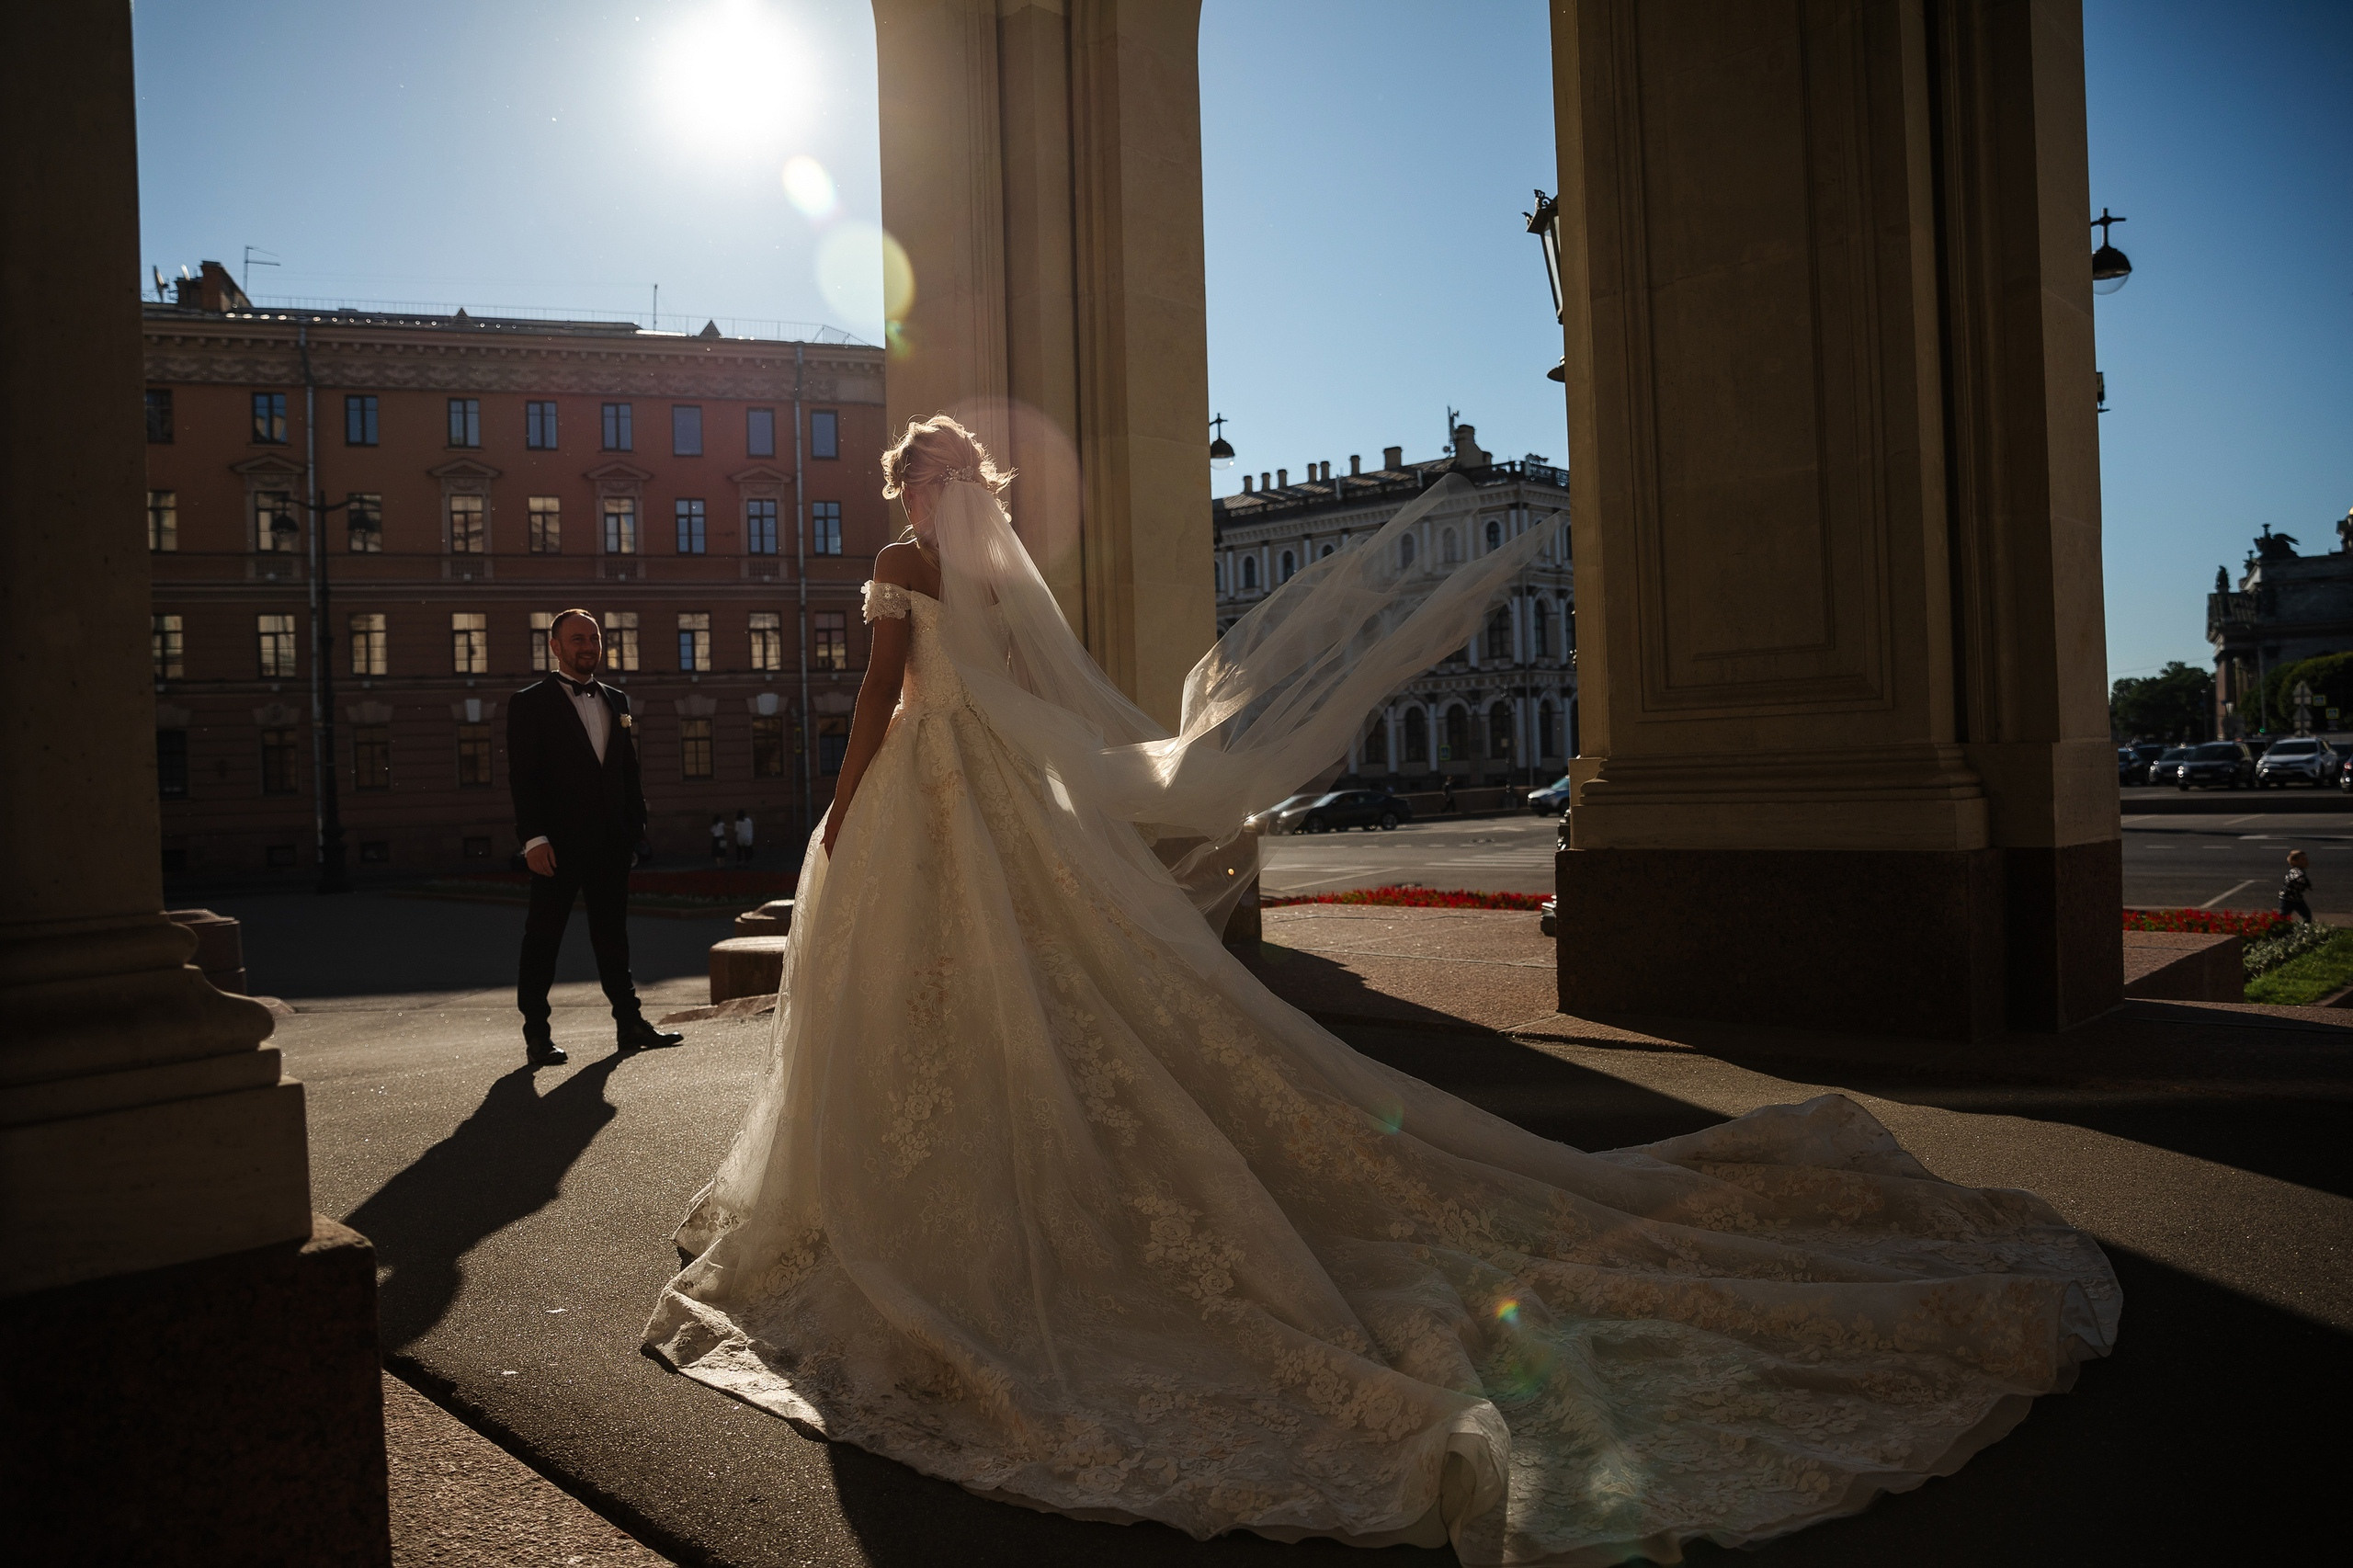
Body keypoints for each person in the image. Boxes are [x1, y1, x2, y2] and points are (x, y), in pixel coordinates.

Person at [642, 417, 2118, 1566]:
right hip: (1005, 818)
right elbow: (1037, 718)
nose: (919, 500)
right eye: (930, 481)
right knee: (1055, 1002)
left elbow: (882, 710)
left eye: (918, 478)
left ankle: (924, 1199)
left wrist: (836, 813)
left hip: (929, 812)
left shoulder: (904, 576)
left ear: (918, 492)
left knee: (952, 1006)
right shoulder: (988, 578)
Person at [507, 608, 685, 1067]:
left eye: (593, 638)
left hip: (610, 842)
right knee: (543, 939)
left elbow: (627, 771)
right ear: (555, 647)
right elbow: (523, 779)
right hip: (556, 847)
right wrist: (534, 839)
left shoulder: (617, 700)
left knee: (613, 938)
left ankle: (630, 1025)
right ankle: (537, 1035)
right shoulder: (529, 702)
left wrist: (633, 832)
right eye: (577, 639)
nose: (587, 646)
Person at [2281, 847, 2315, 922]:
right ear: (2294, 862)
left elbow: (2304, 880)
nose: (2306, 861)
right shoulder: (2296, 871)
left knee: (2306, 914)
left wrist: (2307, 884)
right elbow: (2296, 877)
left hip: (2297, 898)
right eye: (2303, 859)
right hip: (2288, 898)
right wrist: (2299, 879)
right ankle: (2279, 927)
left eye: (2306, 859)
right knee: (2284, 916)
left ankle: (2304, 928)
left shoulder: (2300, 871)